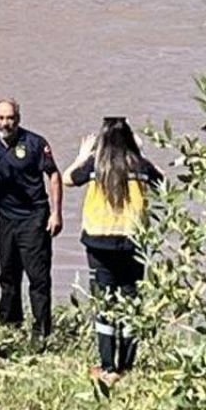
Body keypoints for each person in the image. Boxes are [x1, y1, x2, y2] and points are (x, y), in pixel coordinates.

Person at [66, 116, 164, 387]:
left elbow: (67, 179)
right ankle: (128, 364)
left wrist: (81, 155)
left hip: (99, 243)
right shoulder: (139, 165)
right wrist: (142, 154)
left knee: (105, 305)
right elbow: (163, 183)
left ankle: (109, 367)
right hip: (133, 243)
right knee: (131, 301)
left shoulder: (96, 165)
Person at [0, 99, 62, 343]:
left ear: (18, 118)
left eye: (10, 118)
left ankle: (41, 332)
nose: (5, 123)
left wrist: (56, 212)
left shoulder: (35, 142)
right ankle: (10, 324)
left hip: (34, 217)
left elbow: (54, 175)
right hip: (6, 218)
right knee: (8, 273)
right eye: (0, 118)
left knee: (38, 277)